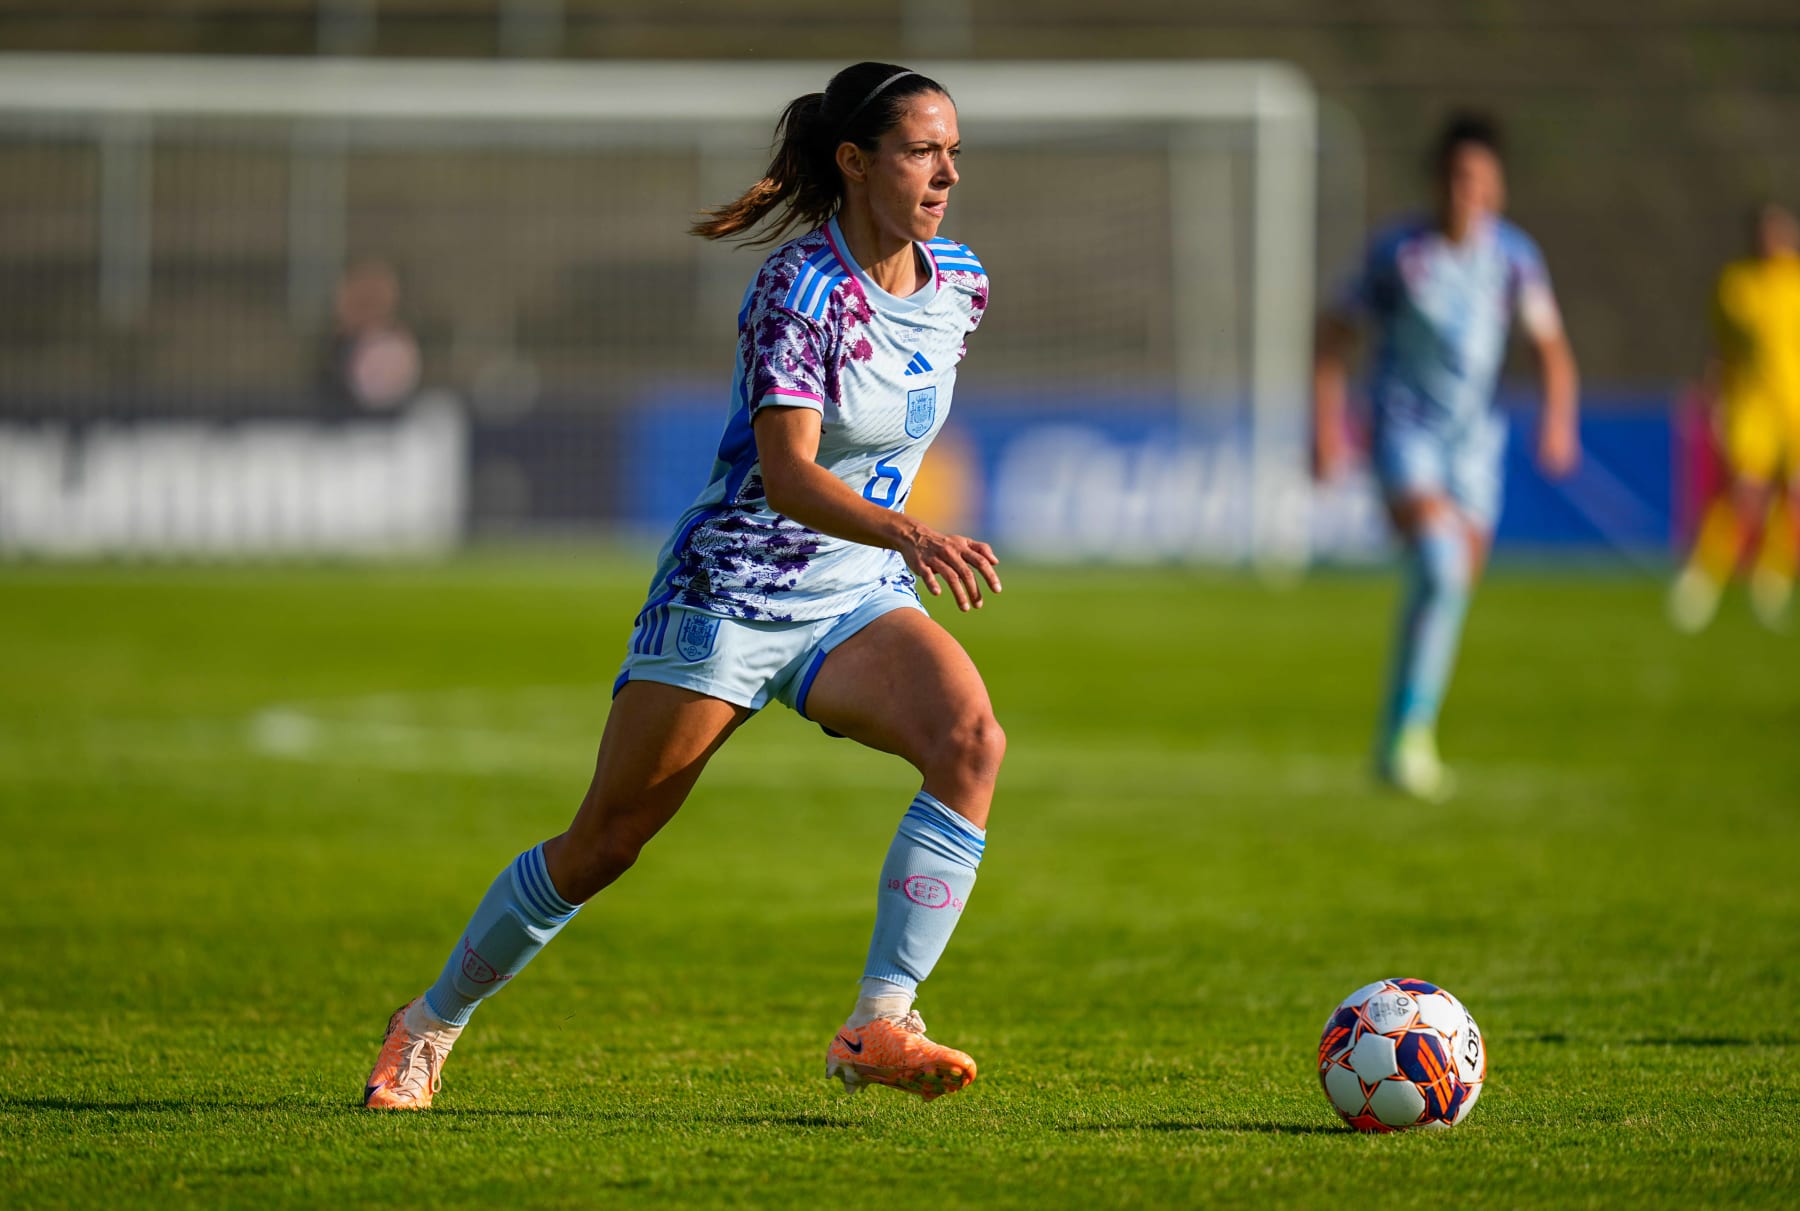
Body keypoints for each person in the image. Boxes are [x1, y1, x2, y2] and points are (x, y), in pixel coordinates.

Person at [362, 62, 1004, 1109]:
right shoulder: (799, 293)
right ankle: (428, 1022)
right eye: (923, 151)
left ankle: (879, 1021)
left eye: (954, 153)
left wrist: (890, 546)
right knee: (606, 841)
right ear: (855, 161)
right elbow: (791, 475)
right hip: (734, 588)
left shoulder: (962, 282)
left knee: (971, 739)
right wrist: (912, 530)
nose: (946, 174)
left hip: (853, 592)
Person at [1313, 112, 1580, 802]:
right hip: (1405, 432)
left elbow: (1550, 349)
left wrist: (1558, 421)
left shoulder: (1515, 258)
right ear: (1438, 181)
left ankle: (1402, 732)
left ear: (1498, 189)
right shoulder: (1400, 253)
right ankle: (1409, 739)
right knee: (1439, 561)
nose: (1467, 190)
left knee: (1448, 586)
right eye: (1457, 176)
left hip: (1476, 447)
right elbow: (1334, 333)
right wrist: (1325, 424)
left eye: (1480, 179)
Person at [1668, 203, 1800, 632]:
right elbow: (1720, 348)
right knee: (1743, 493)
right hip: (1752, 407)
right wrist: (1711, 395)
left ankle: (1772, 578)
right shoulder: (1736, 284)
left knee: (1791, 496)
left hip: (1795, 408)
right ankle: (1703, 578)